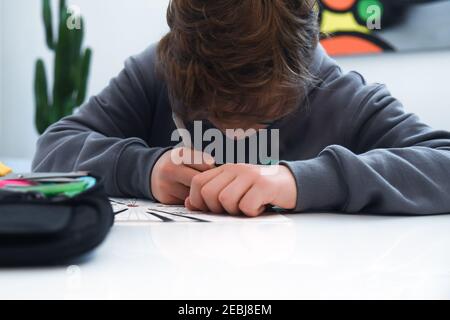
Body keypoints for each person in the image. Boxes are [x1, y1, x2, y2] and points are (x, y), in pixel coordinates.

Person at [33, 0, 450, 217]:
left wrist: (301, 180)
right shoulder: (155, 72)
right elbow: (53, 150)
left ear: (301, 71)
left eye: (256, 109)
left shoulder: (340, 94)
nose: (234, 134)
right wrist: (146, 169)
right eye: (213, 107)